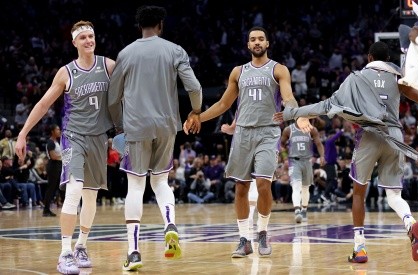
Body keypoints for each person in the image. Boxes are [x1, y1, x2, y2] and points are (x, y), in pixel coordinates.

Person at [273, 41, 418, 263]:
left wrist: (293, 113)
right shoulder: (397, 76)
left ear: (369, 58)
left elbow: (327, 106)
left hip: (370, 135)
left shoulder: (357, 77)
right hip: (395, 136)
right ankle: (410, 223)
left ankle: (360, 248)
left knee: (358, 193)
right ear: (388, 60)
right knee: (394, 195)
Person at [183, 26, 301, 258]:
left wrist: (296, 111)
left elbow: (288, 97)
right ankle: (244, 239)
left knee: (264, 185)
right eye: (252, 39)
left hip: (268, 133)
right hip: (243, 134)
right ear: (248, 45)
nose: (257, 42)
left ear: (267, 43)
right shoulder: (238, 72)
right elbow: (223, 105)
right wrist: (198, 117)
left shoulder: (279, 69)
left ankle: (263, 233)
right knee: (241, 188)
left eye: (261, 39)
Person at [15, 20, 115, 274]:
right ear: (74, 43)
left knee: (91, 197)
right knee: (74, 189)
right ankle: (65, 252)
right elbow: (42, 104)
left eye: (91, 36)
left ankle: (81, 246)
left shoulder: (109, 66)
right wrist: (23, 133)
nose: (89, 40)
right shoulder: (66, 72)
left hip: (99, 138)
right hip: (73, 137)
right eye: (83, 37)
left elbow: (129, 94)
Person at [107, 5, 202, 271]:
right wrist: (195, 110)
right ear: (161, 24)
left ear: (140, 26)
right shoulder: (175, 50)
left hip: (136, 127)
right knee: (160, 181)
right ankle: (170, 224)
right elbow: (193, 86)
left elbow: (113, 99)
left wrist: (118, 128)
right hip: (167, 125)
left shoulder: (125, 53)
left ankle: (134, 253)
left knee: (135, 186)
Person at [280, 121, 324, 223]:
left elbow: (318, 143)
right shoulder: (289, 129)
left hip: (307, 161)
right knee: (296, 186)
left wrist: (322, 156)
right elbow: (281, 144)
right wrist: (285, 157)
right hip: (294, 161)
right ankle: (297, 210)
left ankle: (304, 209)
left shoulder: (312, 129)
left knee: (305, 188)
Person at [44, 124, 62, 217]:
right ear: (52, 131)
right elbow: (53, 157)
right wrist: (64, 156)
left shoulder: (56, 142)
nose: (59, 131)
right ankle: (46, 210)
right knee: (51, 189)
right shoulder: (50, 142)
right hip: (53, 166)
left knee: (61, 188)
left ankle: (67, 209)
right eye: (57, 129)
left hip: (58, 166)